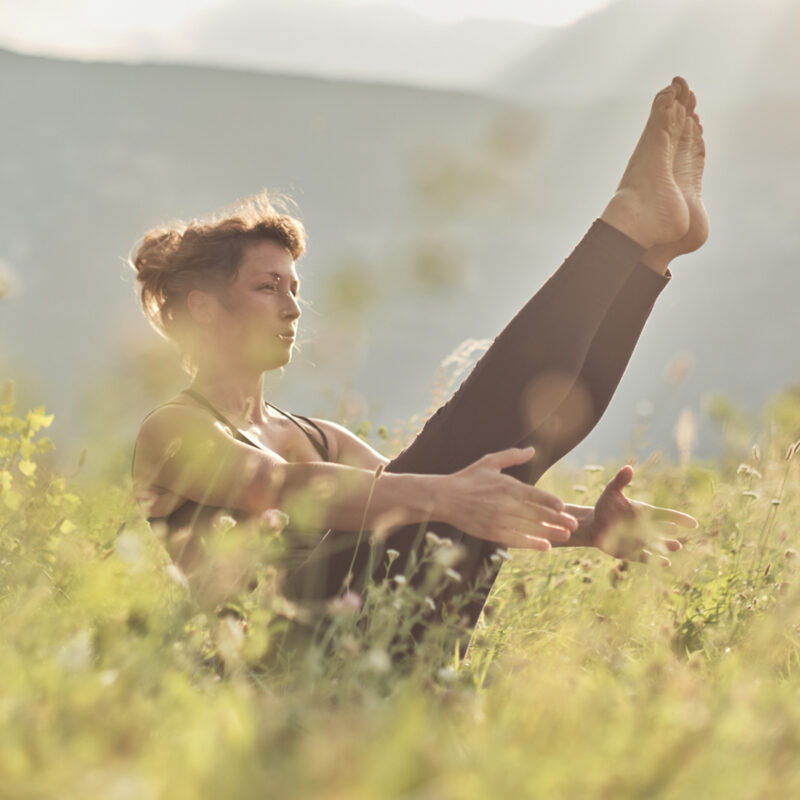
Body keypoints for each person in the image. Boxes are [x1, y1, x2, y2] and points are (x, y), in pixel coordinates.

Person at [131, 76, 707, 659]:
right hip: (287, 652)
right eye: (267, 286)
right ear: (202, 308)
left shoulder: (319, 437)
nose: (293, 305)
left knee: (498, 462)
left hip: (383, 641)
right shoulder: (174, 428)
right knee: (455, 475)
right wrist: (450, 496)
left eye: (295, 287)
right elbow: (279, 487)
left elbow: (455, 491)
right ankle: (628, 229)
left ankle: (648, 256)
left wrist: (593, 528)